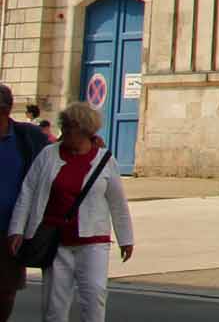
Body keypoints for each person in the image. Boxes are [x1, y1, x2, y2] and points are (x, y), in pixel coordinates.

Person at [8, 102, 133, 321]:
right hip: (55, 240)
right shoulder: (48, 155)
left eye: (69, 128)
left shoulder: (104, 160)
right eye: (63, 126)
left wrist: (126, 238)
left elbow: (118, 203)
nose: (64, 132)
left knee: (94, 296)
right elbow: (27, 191)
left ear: (85, 131)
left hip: (93, 241)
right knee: (54, 307)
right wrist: (17, 229)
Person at [0, 87, 48, 319]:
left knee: (6, 291)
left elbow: (59, 153)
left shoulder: (27, 137)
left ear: (8, 110)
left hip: (10, 230)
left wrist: (90, 140)